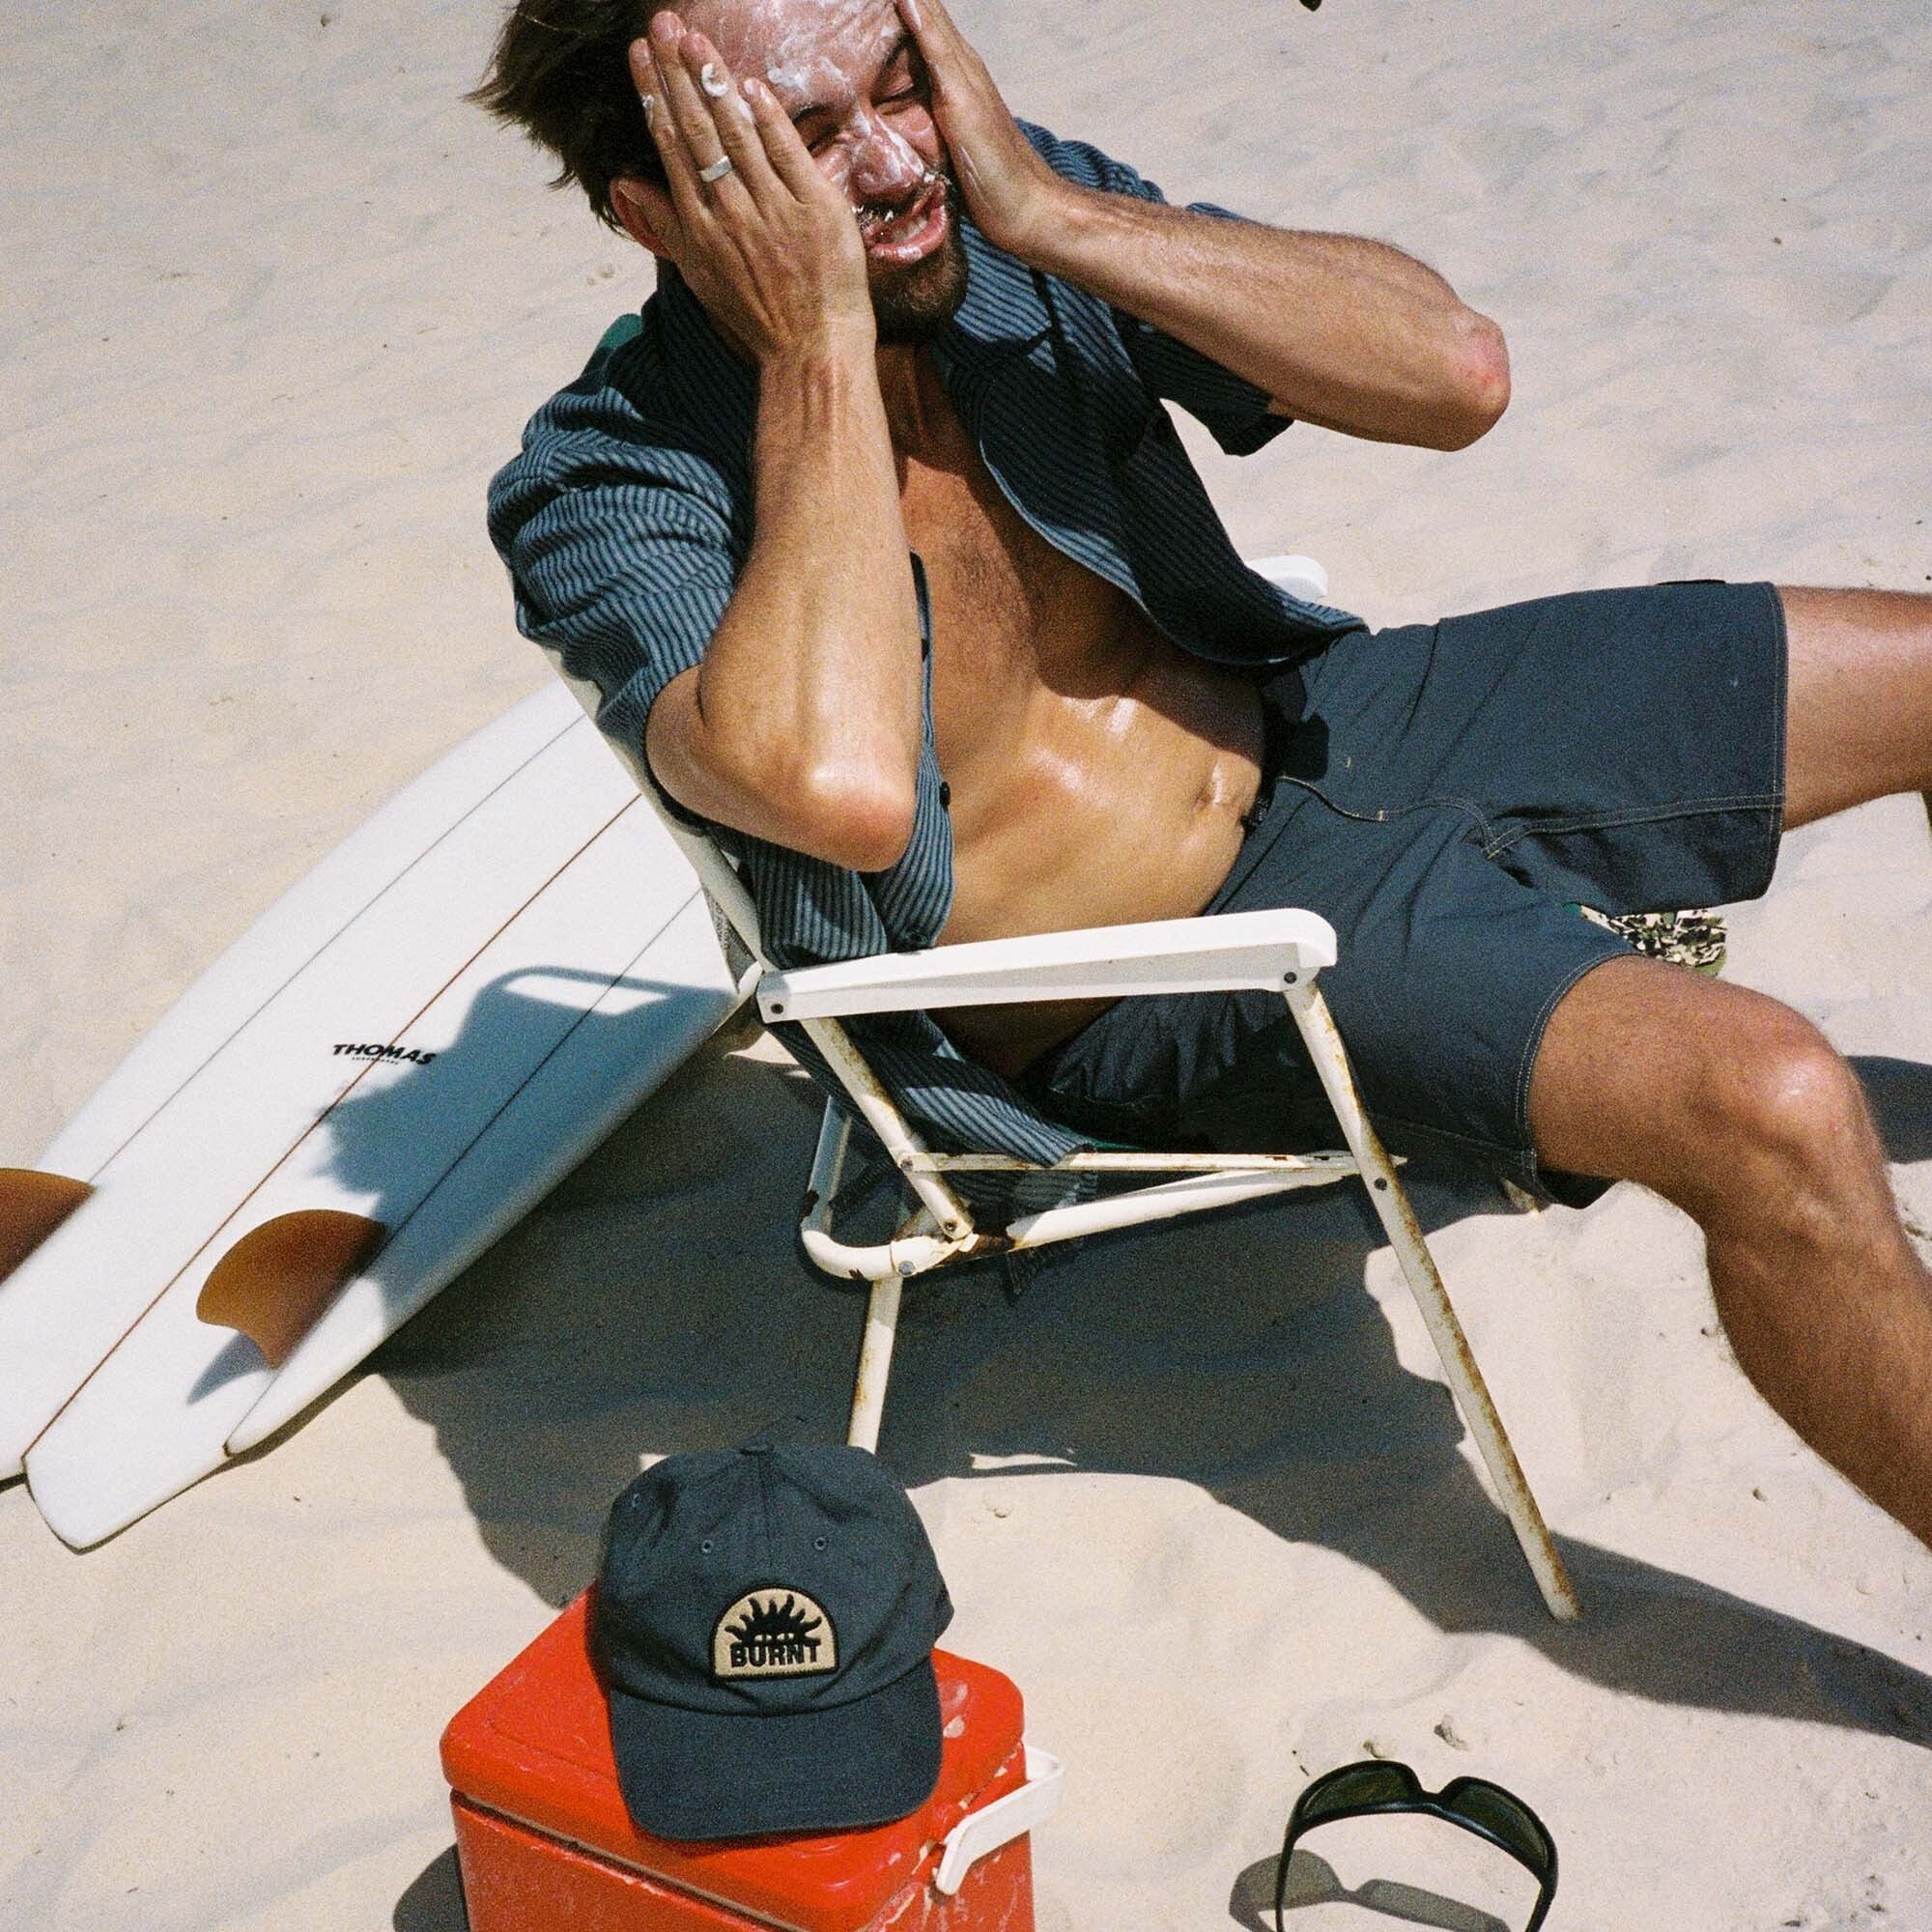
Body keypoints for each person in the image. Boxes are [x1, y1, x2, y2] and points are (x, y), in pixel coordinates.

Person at [475, 0, 1932, 1549]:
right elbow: (837, 789)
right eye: (810, 141)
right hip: (1172, 973)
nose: (901, 163)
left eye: (903, 92)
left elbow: (1453, 374)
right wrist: (815, 342)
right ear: (650, 206)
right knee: (1770, 1097)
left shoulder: (997, 223)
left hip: (1323, 718)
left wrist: (1049, 209)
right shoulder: (605, 479)